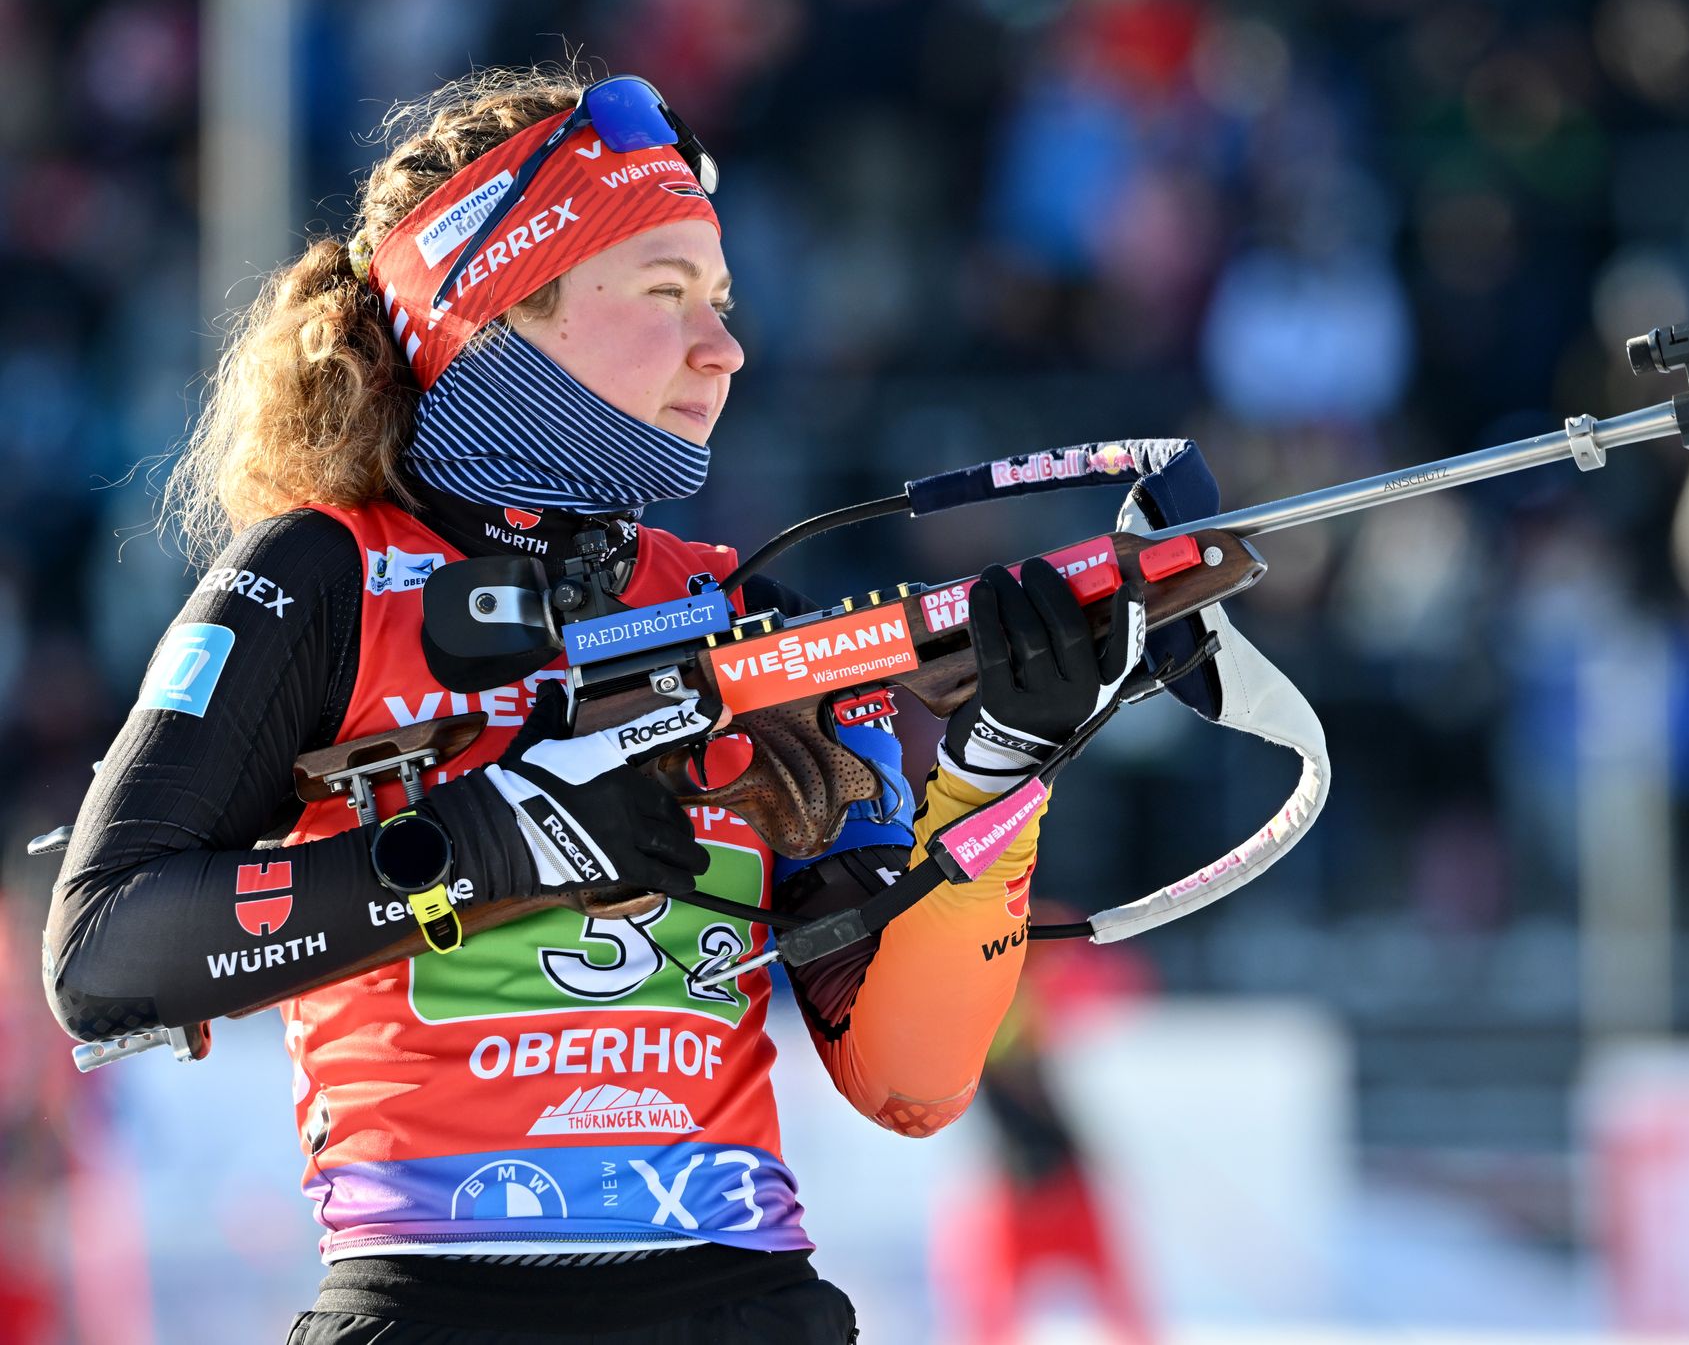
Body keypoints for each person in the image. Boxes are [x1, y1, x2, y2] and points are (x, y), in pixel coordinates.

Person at [42, 67, 1144, 1344]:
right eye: (667, 294)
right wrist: (482, 849)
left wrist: (1002, 763)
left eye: (721, 301)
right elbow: (106, 955)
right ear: (497, 311)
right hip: (434, 1305)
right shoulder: (323, 575)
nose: (723, 347)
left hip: (742, 1300)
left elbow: (910, 1077)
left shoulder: (747, 613)